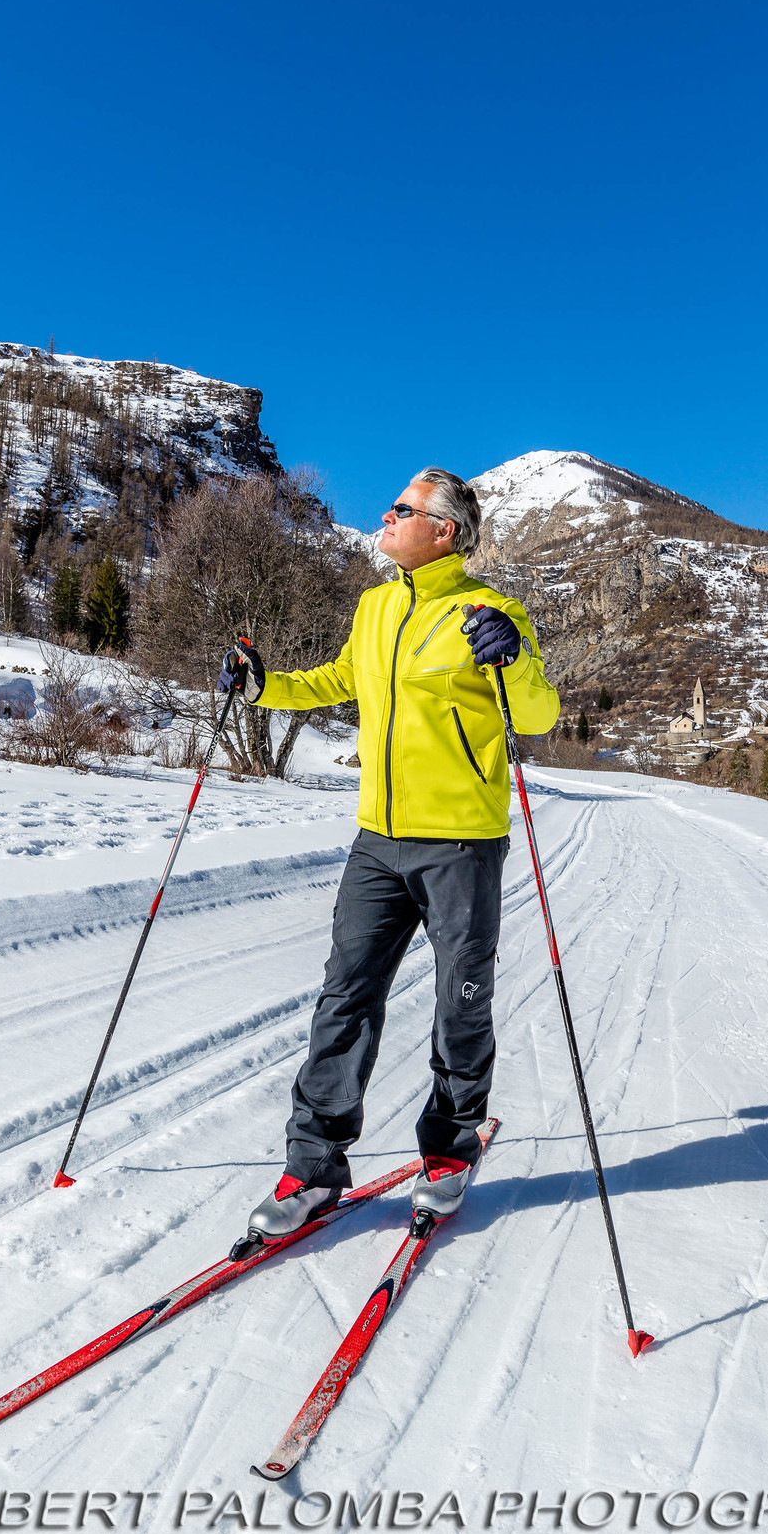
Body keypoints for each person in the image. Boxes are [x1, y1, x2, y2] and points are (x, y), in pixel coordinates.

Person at [217, 466, 560, 1234]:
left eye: (402, 508)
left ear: (444, 530)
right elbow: (341, 678)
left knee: (459, 1002)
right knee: (345, 995)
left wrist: (513, 657)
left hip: (462, 841)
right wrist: (261, 685)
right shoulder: (375, 606)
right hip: (378, 840)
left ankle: (448, 1150)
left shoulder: (490, 611)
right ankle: (311, 1169)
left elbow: (536, 710)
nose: (386, 513)